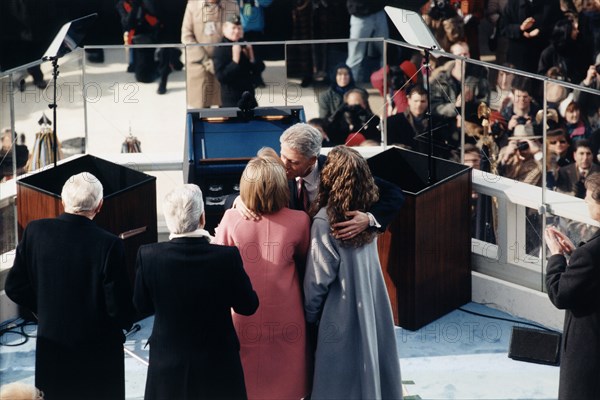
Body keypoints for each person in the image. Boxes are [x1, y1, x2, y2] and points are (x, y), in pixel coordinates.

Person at [5, 172, 135, 400]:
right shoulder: (110, 244)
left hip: (53, 350)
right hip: (98, 356)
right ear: (99, 206)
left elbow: (14, 286)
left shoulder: (35, 231)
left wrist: (46, 307)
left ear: (63, 201)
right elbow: (119, 310)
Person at [133, 183, 259, 399]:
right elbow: (248, 306)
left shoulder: (148, 256)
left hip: (168, 363)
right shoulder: (226, 257)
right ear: (202, 218)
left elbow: (141, 306)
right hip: (218, 364)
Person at [303, 145, 403, 400]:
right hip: (373, 302)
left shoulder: (326, 221)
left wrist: (309, 314)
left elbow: (318, 280)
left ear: (329, 177)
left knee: (337, 377)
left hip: (340, 310)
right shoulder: (365, 212)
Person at [214, 153, 310, 400]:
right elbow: (304, 258)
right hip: (287, 312)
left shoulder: (231, 218)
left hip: (243, 313)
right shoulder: (300, 221)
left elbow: (217, 260)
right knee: (287, 382)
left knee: (246, 381)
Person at [229, 123, 405, 240]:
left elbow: (395, 193)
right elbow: (228, 197)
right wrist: (239, 200)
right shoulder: (274, 167)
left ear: (312, 160)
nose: (283, 165)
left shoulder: (338, 170)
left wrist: (369, 219)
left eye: (293, 162)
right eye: (282, 155)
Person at [544, 171, 600, 400]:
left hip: (589, 354)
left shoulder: (590, 255)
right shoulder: (588, 254)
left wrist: (556, 257)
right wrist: (576, 255)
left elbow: (560, 295)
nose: (586, 202)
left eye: (588, 198)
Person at [181, 0, 239, 108]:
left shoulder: (232, 6)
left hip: (224, 66)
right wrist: (207, 61)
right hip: (200, 66)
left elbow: (237, 33)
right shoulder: (193, 6)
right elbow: (186, 36)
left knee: (227, 109)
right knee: (202, 110)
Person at [213, 14, 265, 107]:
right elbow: (221, 77)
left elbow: (259, 69)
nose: (237, 31)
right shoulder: (220, 49)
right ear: (224, 29)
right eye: (233, 28)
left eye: (239, 28)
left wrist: (251, 57)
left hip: (248, 96)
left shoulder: (246, 44)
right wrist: (235, 61)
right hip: (231, 100)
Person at [500, 0, 563, 74]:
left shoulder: (552, 3)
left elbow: (559, 26)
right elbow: (503, 27)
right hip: (518, 57)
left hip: (540, 57)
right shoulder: (513, 3)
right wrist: (520, 28)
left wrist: (541, 31)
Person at [345, 0, 388, 83]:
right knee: (355, 55)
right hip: (359, 14)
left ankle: (386, 84)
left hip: (380, 12)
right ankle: (349, 85)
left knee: (386, 52)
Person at [386, 84, 429, 152]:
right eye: (416, 101)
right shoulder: (393, 122)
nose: (419, 105)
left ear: (427, 102)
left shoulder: (435, 122)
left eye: (423, 101)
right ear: (409, 100)